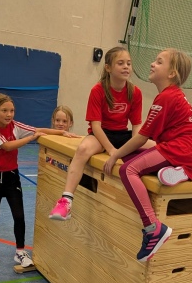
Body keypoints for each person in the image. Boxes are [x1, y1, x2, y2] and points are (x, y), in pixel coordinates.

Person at [103, 48, 192, 262]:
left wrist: (114, 155)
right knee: (131, 158)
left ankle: (153, 228)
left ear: (172, 73)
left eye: (159, 62)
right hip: (189, 151)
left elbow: (141, 137)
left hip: (181, 149)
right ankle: (180, 172)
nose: (152, 64)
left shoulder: (166, 97)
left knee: (127, 169)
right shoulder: (171, 95)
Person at [49, 46, 153, 220]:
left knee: (156, 146)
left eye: (128, 63)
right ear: (108, 67)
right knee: (83, 150)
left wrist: (136, 144)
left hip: (123, 134)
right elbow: (96, 126)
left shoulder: (135, 92)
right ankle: (66, 201)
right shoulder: (98, 90)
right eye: (120, 63)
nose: (126, 67)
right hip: (101, 134)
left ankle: (176, 172)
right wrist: (111, 150)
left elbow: (136, 126)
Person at [0, 93, 80, 266]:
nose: (9, 114)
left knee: (19, 215)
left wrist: (62, 132)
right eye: (4, 110)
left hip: (11, 176)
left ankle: (20, 251)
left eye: (12, 110)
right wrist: (30, 138)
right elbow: (6, 146)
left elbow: (38, 130)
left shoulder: (15, 125)